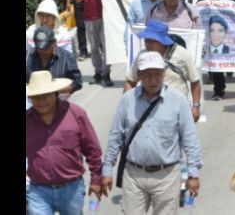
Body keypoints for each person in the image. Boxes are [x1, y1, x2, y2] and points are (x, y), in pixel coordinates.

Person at [101, 52, 202, 214]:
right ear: (139, 75)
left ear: (164, 74)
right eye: (148, 75)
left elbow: (190, 140)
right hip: (133, 175)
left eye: (157, 74)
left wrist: (193, 174)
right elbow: (115, 136)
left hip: (167, 176)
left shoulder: (178, 100)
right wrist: (107, 170)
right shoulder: (128, 99)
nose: (153, 80)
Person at [26, 71, 103, 214]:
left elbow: (92, 150)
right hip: (38, 191)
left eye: (46, 95)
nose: (41, 100)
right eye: (36, 97)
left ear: (55, 93)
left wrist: (96, 180)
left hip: (71, 189)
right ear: (30, 98)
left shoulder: (76, 113)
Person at [124, 20, 202, 121]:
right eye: (146, 39)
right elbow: (130, 82)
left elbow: (195, 81)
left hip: (178, 110)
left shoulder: (182, 54)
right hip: (148, 111)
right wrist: (129, 105)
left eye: (151, 40)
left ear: (162, 41)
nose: (146, 43)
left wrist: (196, 106)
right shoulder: (142, 56)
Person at [74, 0, 111, 86]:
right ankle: (97, 71)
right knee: (94, 46)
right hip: (90, 16)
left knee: (107, 46)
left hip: (106, 16)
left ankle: (106, 73)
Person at [26, 26, 83, 95]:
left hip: (59, 99)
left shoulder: (67, 57)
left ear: (54, 42)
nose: (42, 51)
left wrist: (54, 91)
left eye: (46, 48)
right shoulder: (28, 56)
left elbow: (77, 82)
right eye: (39, 48)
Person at [206, 15, 235, 98]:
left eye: (220, 31)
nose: (216, 34)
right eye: (213, 30)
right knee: (217, 67)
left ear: (225, 32)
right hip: (215, 54)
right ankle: (219, 91)